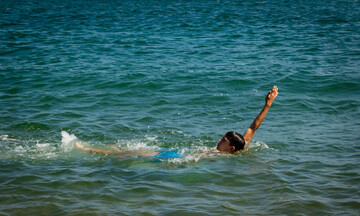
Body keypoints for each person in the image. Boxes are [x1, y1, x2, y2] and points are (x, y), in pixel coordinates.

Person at [75, 86, 278, 156]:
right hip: (177, 155)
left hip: (175, 157)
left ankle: (89, 150)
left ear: (231, 147)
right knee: (129, 152)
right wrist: (268, 104)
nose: (220, 139)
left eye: (224, 139)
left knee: (129, 153)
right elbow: (253, 127)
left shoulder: (217, 155)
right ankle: (98, 150)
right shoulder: (242, 145)